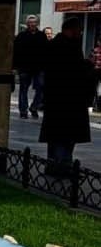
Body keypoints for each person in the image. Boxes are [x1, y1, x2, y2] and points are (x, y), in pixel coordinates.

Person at [39, 15, 93, 174]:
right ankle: (62, 166)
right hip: (69, 101)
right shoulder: (68, 47)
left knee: (56, 136)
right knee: (65, 137)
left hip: (57, 100)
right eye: (79, 30)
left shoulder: (56, 45)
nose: (81, 33)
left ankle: (53, 164)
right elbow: (75, 71)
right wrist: (88, 66)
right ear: (72, 30)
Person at [12, 14, 46, 119]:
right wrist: (14, 67)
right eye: (30, 22)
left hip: (39, 67)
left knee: (41, 88)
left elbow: (46, 51)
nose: (32, 24)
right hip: (24, 67)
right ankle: (23, 110)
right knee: (23, 89)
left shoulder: (41, 36)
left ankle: (34, 107)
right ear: (27, 24)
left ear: (37, 24)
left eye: (34, 22)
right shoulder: (22, 36)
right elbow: (15, 52)